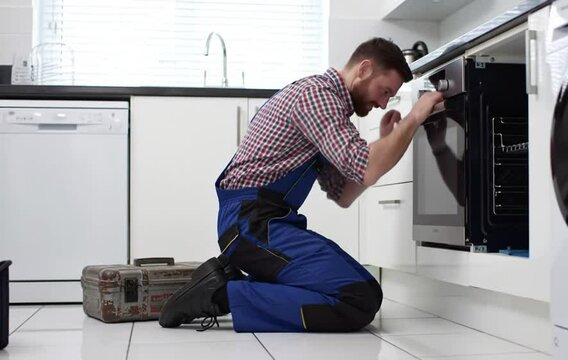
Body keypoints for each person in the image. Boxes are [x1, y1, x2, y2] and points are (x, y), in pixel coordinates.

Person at [159, 37, 443, 332]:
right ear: (364, 69)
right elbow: (366, 167)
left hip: (266, 224)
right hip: (250, 224)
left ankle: (226, 283)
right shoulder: (317, 96)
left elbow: (344, 194)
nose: (383, 103)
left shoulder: (326, 103)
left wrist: (386, 141)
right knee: (358, 297)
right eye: (385, 91)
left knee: (365, 291)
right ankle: (221, 294)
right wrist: (415, 117)